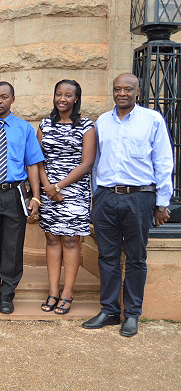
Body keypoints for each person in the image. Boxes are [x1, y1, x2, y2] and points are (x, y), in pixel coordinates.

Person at [82, 73, 173, 337]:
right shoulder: (102, 122)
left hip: (139, 197)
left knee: (135, 258)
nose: (122, 93)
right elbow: (96, 163)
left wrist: (162, 203)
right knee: (107, 256)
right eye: (117, 89)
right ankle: (109, 310)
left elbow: (164, 162)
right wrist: (94, 198)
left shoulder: (152, 120)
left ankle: (132, 314)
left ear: (137, 91)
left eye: (127, 89)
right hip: (106, 196)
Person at [0, 81, 43, 315]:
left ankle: (7, 294)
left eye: (3, 97)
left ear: (13, 99)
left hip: (15, 193)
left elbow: (32, 163)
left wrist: (35, 196)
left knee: (13, 246)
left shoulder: (24, 129)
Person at [37, 80, 96, 315]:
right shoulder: (44, 124)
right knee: (52, 238)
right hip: (48, 189)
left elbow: (88, 162)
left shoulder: (86, 126)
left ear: (76, 99)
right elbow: (36, 158)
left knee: (71, 240)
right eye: (59, 94)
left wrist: (59, 186)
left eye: (68, 95)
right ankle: (53, 291)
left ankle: (67, 292)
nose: (62, 99)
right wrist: (47, 186)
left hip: (75, 190)